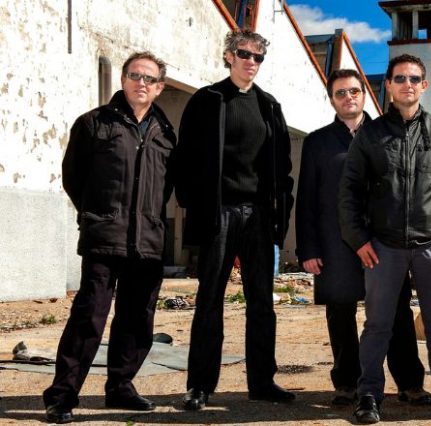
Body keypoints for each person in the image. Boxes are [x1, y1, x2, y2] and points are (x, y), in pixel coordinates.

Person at [338, 54, 431, 424]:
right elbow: (349, 190)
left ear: (424, 85)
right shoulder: (370, 134)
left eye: (414, 78)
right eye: (399, 78)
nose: (407, 85)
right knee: (377, 326)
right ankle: (369, 397)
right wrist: (359, 239)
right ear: (388, 85)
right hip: (382, 246)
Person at [42, 51, 175, 424]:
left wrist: (147, 219)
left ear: (160, 87)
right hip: (104, 237)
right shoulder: (93, 123)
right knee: (89, 317)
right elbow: (74, 177)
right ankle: (62, 396)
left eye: (149, 78)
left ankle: (121, 386)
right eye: (135, 75)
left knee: (137, 318)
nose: (141, 83)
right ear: (123, 79)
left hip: (148, 241)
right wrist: (98, 215)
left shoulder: (166, 133)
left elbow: (165, 187)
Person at [174, 29, 294, 410]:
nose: (251, 62)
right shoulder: (207, 100)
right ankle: (199, 386)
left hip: (258, 214)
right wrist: (197, 206)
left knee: (262, 303)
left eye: (258, 57)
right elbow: (184, 159)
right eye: (244, 54)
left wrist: (278, 215)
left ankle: (262, 381)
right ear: (228, 56)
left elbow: (283, 168)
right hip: (219, 213)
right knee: (210, 299)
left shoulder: (269, 106)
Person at [295, 69, 431, 407]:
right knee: (340, 312)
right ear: (331, 100)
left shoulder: (388, 133)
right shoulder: (318, 142)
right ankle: (347, 383)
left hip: (385, 242)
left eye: (354, 91)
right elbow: (307, 199)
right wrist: (308, 248)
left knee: (396, 311)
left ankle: (410, 383)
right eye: (340, 93)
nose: (348, 98)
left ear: (365, 94)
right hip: (335, 243)